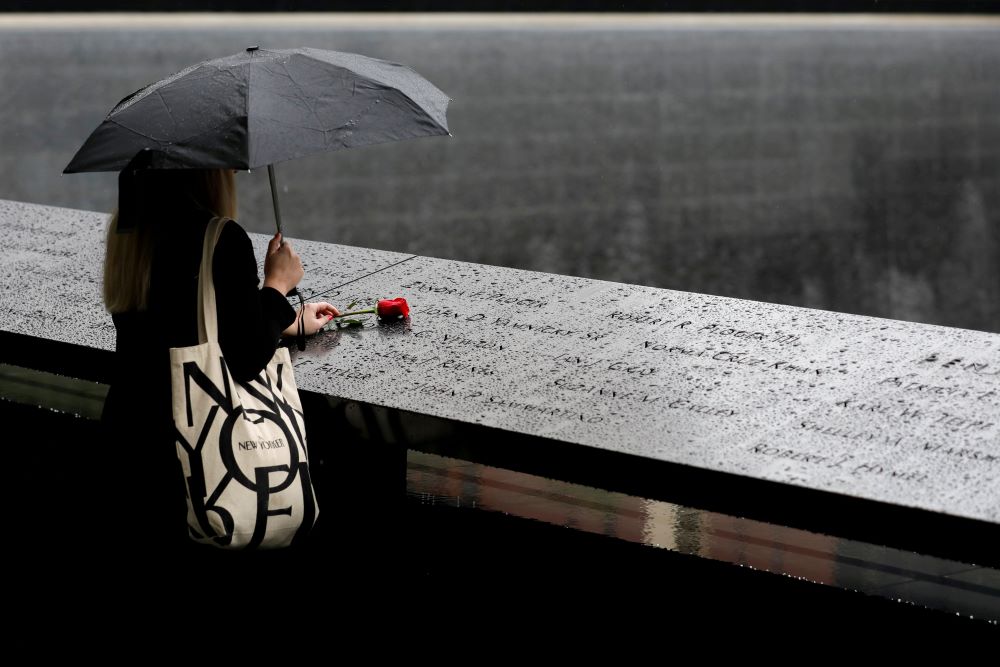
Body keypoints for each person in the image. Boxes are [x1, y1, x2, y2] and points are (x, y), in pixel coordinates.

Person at [98, 160, 338, 559]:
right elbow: (245, 357)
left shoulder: (129, 227)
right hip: (190, 451)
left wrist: (287, 320)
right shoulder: (220, 238)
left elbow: (186, 323)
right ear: (211, 171)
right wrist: (277, 285)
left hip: (129, 435)